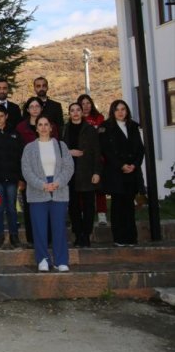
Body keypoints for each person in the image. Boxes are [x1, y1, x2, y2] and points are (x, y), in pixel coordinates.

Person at [21, 117, 74, 272]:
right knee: (39, 228)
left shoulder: (60, 145)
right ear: (36, 128)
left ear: (51, 128)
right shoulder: (29, 148)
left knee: (59, 227)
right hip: (38, 191)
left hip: (59, 190)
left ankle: (61, 260)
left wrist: (58, 183)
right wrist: (42, 185)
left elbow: (68, 167)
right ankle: (43, 259)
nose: (43, 127)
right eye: (40, 125)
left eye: (46, 124)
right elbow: (26, 170)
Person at [99, 100, 144, 247]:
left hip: (132, 172)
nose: (120, 112)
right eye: (117, 109)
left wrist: (134, 165)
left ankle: (131, 237)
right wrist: (121, 165)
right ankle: (119, 238)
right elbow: (106, 151)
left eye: (123, 109)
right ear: (112, 111)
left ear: (127, 111)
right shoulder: (106, 127)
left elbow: (140, 149)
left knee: (129, 206)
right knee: (118, 205)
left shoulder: (133, 126)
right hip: (115, 172)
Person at [17, 96, 58, 244]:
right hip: (29, 173)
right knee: (31, 208)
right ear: (27, 109)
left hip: (49, 173)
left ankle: (49, 238)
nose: (34, 109)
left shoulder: (50, 126)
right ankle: (33, 239)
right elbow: (18, 153)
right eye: (31, 106)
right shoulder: (21, 127)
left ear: (41, 109)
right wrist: (22, 177)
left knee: (49, 207)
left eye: (37, 106)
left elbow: (56, 148)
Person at [0, 104, 24, 249]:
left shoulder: (15, 134)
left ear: (6, 116)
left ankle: (14, 236)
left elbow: (20, 157)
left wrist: (21, 178)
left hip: (12, 178)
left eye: (1, 116)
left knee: (12, 208)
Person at [63, 103, 102, 248]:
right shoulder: (65, 129)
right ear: (69, 113)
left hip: (86, 171)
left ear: (82, 112)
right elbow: (60, 150)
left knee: (88, 205)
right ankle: (78, 233)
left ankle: (86, 233)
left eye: (78, 110)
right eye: (72, 110)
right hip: (69, 172)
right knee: (73, 205)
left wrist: (97, 172)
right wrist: (69, 152)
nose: (75, 113)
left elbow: (97, 152)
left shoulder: (90, 129)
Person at [78, 94, 108, 226]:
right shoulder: (78, 119)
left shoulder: (99, 118)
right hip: (83, 159)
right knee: (83, 187)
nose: (85, 106)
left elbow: (102, 135)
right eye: (83, 103)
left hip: (98, 157)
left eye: (88, 103)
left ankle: (102, 214)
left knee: (99, 187)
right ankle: (84, 212)